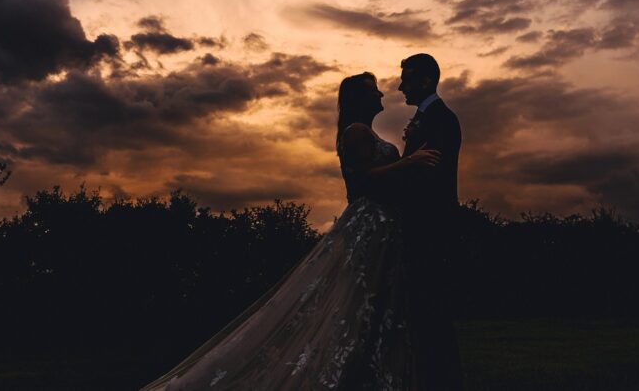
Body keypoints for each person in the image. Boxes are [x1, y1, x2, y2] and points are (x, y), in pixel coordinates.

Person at [139, 72, 440, 390]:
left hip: (382, 226)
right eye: (372, 91)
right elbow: (364, 179)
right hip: (367, 225)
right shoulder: (355, 132)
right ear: (358, 99)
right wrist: (409, 162)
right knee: (356, 301)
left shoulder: (366, 132)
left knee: (373, 303)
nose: (380, 94)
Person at [397, 53, 464, 390]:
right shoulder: (427, 118)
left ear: (425, 81)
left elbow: (428, 177)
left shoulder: (440, 119)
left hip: (429, 226)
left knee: (432, 305)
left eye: (406, 79)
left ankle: (442, 377)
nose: (399, 86)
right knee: (423, 306)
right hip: (422, 226)